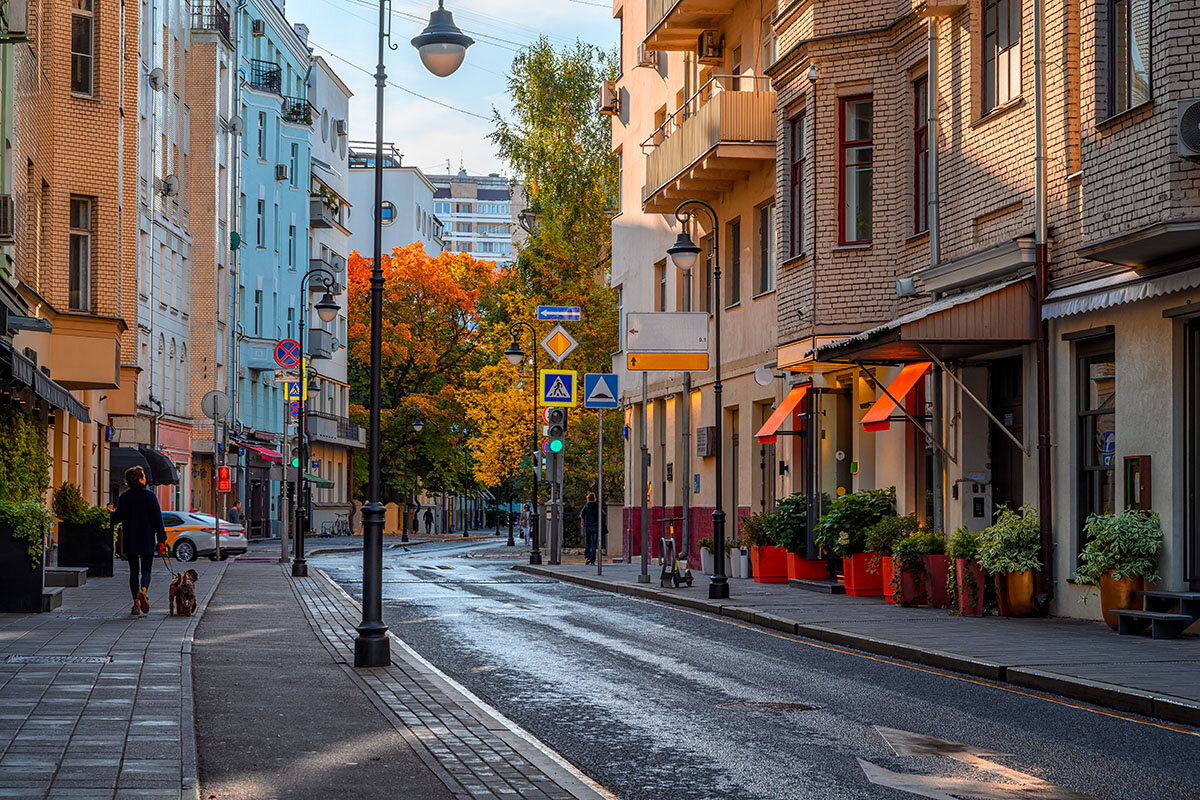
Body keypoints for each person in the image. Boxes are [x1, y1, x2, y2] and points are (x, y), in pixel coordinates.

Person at [109, 466, 168, 616]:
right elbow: (157, 519)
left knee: (133, 571)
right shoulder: (150, 496)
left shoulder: (124, 497)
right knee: (146, 570)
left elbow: (117, 518)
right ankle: (143, 590)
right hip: (147, 537)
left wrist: (112, 513)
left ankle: (135, 605)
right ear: (141, 479)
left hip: (130, 538)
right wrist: (162, 538)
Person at [580, 493, 603, 566]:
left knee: (588, 543)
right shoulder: (597, 506)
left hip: (588, 526)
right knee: (594, 544)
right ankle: (592, 560)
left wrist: (583, 521)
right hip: (596, 526)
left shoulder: (586, 506)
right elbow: (602, 514)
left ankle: (587, 558)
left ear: (588, 499)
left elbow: (582, 514)